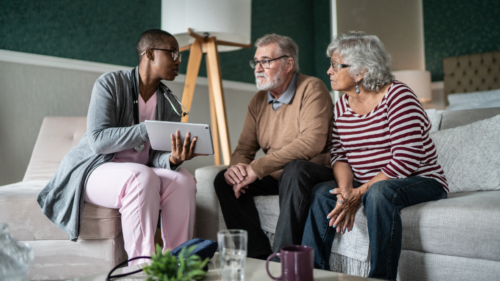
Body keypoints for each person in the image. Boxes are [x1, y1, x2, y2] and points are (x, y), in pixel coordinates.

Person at [37, 29, 204, 265]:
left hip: (140, 171)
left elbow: (156, 156)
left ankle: (176, 264)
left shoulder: (169, 102)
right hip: (95, 170)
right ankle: (141, 268)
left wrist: (174, 160)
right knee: (141, 177)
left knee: (183, 180)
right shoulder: (110, 83)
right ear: (149, 54)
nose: (178, 61)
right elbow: (98, 140)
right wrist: (149, 127)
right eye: (173, 53)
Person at [301, 31, 448, 280]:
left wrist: (360, 193)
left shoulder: (399, 97)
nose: (329, 71)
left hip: (420, 180)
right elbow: (339, 155)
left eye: (336, 65)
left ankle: (381, 277)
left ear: (360, 72)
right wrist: (347, 190)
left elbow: (406, 160)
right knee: (322, 193)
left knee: (379, 193)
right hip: (367, 180)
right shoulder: (341, 105)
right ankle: (312, 274)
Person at [214, 34, 334, 259]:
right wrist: (238, 170)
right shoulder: (258, 101)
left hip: (312, 173)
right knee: (224, 179)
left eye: (266, 61)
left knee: (295, 168)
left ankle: (282, 259)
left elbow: (312, 142)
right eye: (256, 62)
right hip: (280, 176)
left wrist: (257, 168)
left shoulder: (312, 88)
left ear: (288, 64)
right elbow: (244, 149)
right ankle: (258, 257)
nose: (258, 68)